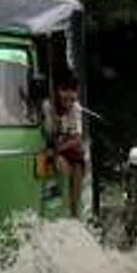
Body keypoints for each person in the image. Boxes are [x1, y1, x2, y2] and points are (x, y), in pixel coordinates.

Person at [43, 74, 89, 217]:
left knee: (76, 170)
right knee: (61, 172)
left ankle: (74, 215)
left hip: (70, 154)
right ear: (58, 91)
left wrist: (58, 150)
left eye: (72, 99)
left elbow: (76, 139)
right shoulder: (47, 107)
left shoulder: (76, 109)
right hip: (51, 151)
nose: (68, 103)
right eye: (65, 98)